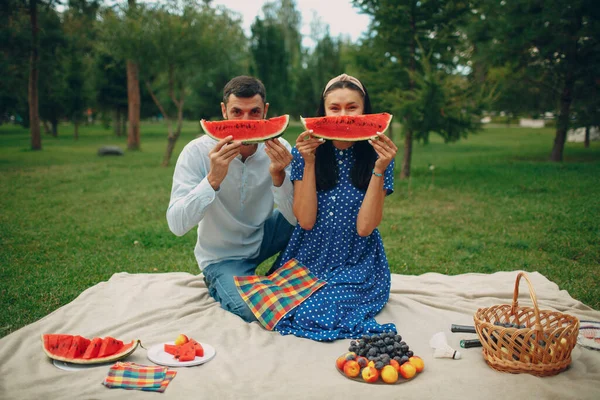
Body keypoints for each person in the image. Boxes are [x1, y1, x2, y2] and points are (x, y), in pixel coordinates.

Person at [270, 73, 398, 341]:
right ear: (323, 112)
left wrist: (378, 169)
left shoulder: (380, 156)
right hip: (309, 256)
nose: (343, 116)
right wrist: (309, 161)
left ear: (365, 111)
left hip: (357, 260)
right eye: (334, 108)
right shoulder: (305, 151)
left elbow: (365, 228)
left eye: (352, 108)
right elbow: (305, 220)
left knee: (320, 307)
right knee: (275, 303)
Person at [166, 76, 296, 323]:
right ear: (223, 110)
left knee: (314, 211)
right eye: (237, 112)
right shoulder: (196, 152)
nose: (245, 122)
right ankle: (227, 279)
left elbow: (296, 217)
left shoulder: (280, 148)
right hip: (222, 256)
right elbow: (176, 225)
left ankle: (296, 274)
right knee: (250, 310)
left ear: (265, 112)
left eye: (254, 113)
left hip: (263, 236)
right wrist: (212, 179)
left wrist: (279, 177)